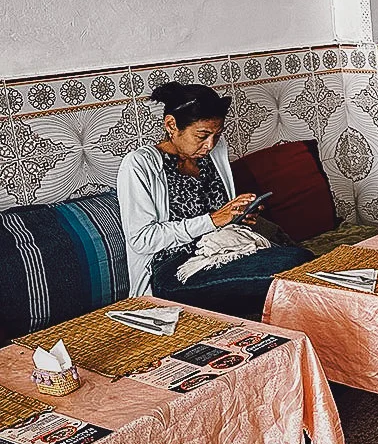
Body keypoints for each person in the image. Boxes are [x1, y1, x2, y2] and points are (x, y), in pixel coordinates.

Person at [117, 82, 313, 321]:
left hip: (224, 250)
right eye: (202, 135)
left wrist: (239, 215)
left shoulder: (215, 153)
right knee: (296, 263)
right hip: (174, 270)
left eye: (216, 135)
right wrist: (213, 220)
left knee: (299, 268)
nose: (210, 145)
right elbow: (142, 239)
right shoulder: (140, 164)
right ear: (171, 125)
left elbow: (222, 216)